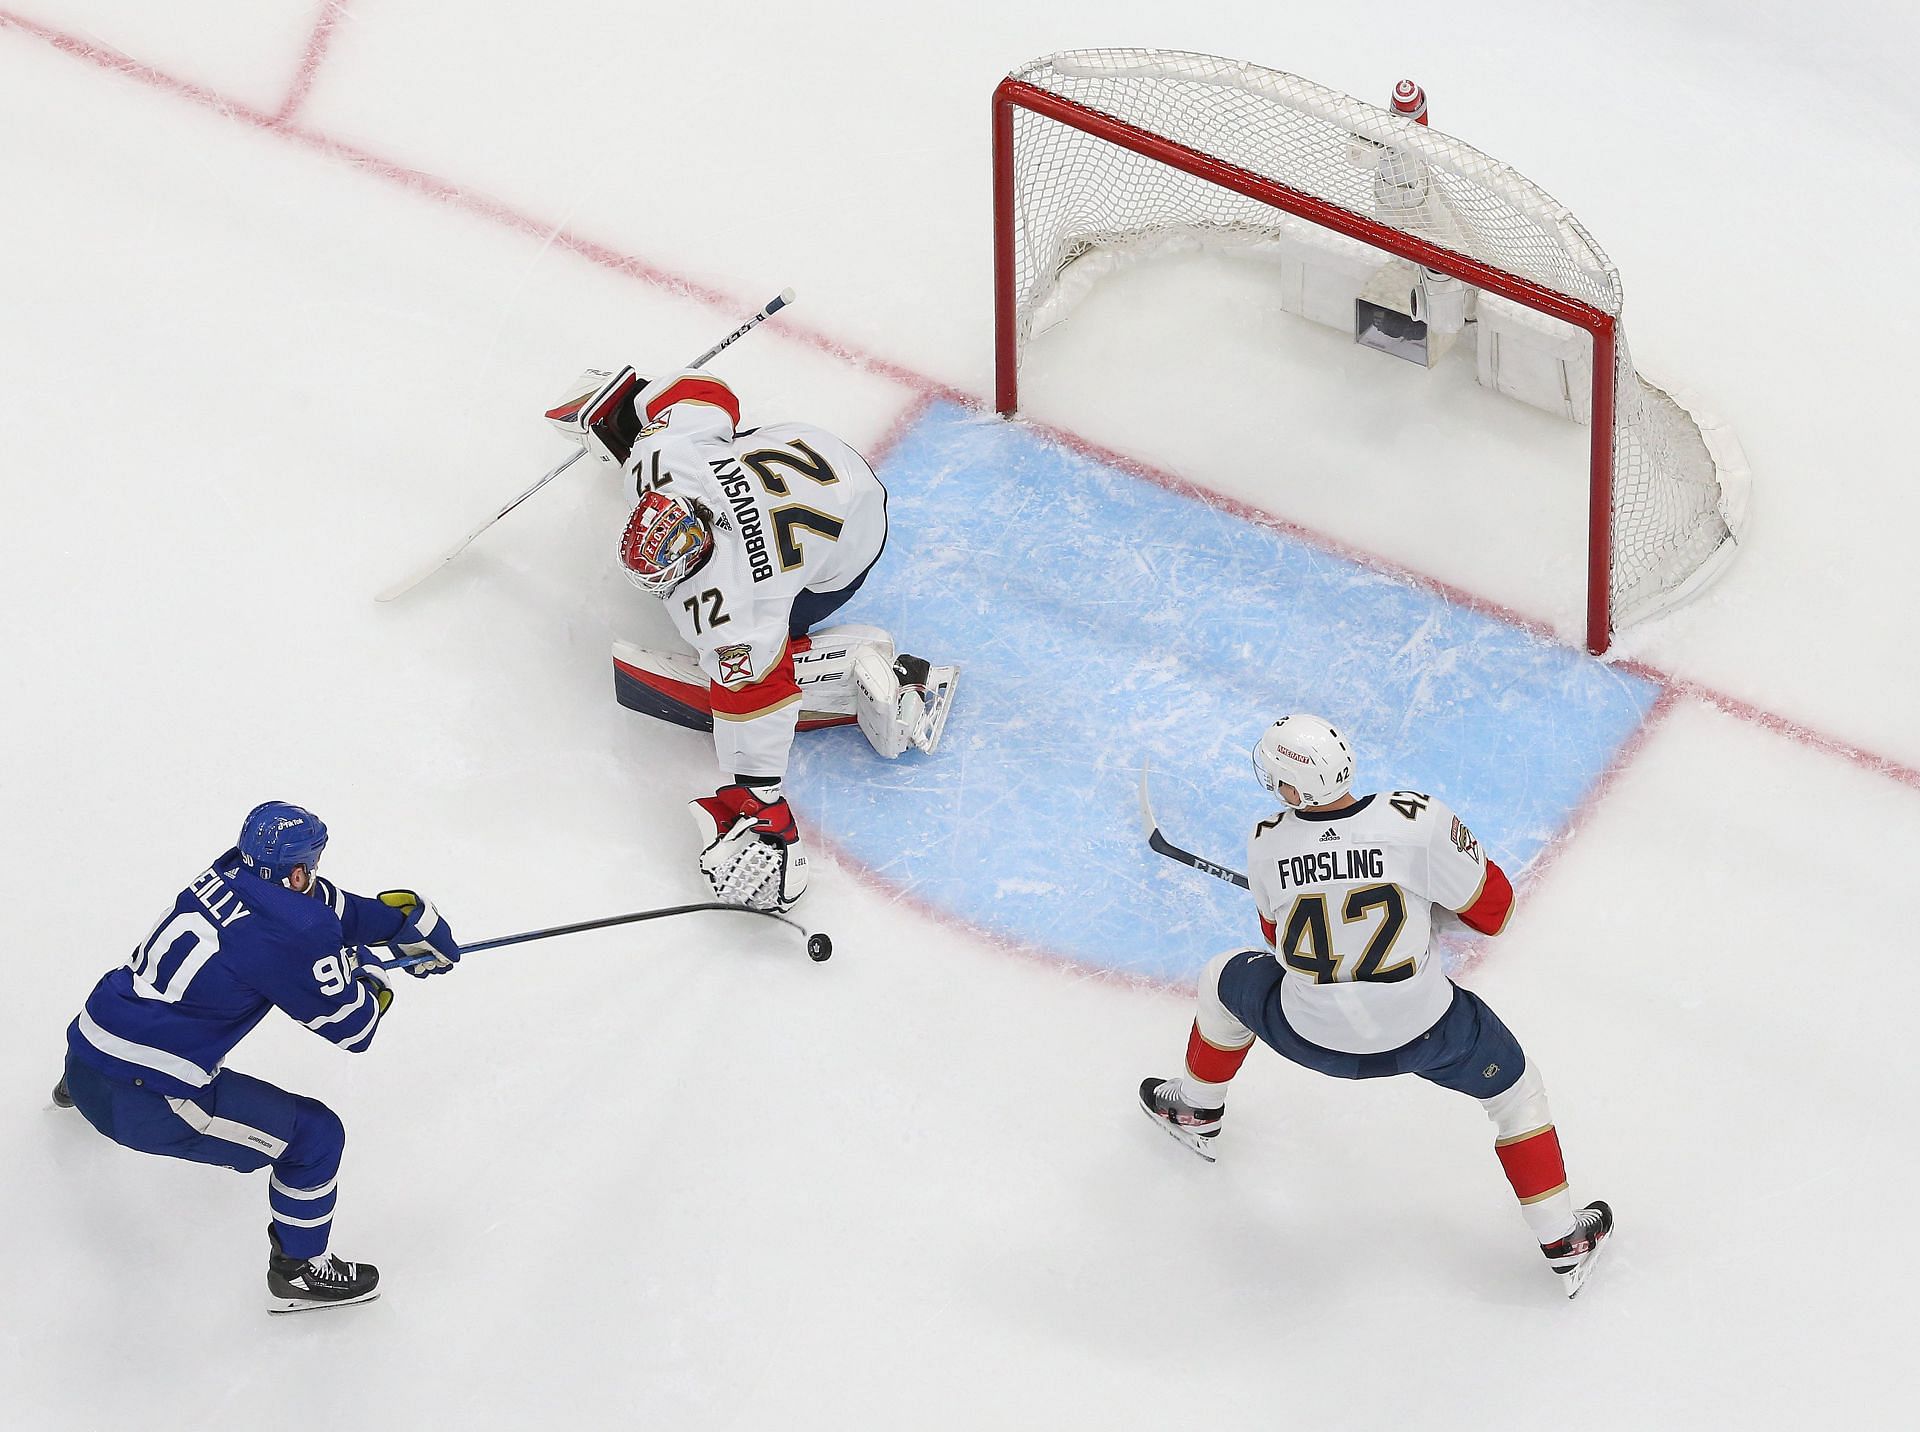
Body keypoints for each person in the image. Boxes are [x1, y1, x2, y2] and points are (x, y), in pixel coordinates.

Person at [1139, 715, 1613, 1295]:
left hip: (1309, 1035)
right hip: (1432, 1033)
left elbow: (1276, 940)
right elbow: (1496, 914)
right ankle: (1562, 1239)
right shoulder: (1416, 820)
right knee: (1516, 1094)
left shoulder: (1267, 840)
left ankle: (1195, 1109)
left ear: (1293, 789)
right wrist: (1426, 914)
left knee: (1222, 981)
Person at [546, 364, 958, 914]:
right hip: (826, 461)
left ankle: (853, 664)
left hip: (850, 547)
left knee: (761, 656)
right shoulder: (668, 461)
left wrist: (756, 795)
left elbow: (754, 695)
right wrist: (635, 408)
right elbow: (704, 393)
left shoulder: (738, 606)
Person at [54, 801, 461, 1313]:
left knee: (136, 1024)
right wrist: (374, 977)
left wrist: (399, 924)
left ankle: (73, 1091)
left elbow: (318, 911)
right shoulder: (294, 933)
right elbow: (353, 1027)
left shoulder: (230, 869)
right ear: (297, 869)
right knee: (316, 1137)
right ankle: (300, 1272)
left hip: (85, 1050)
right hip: (143, 1102)